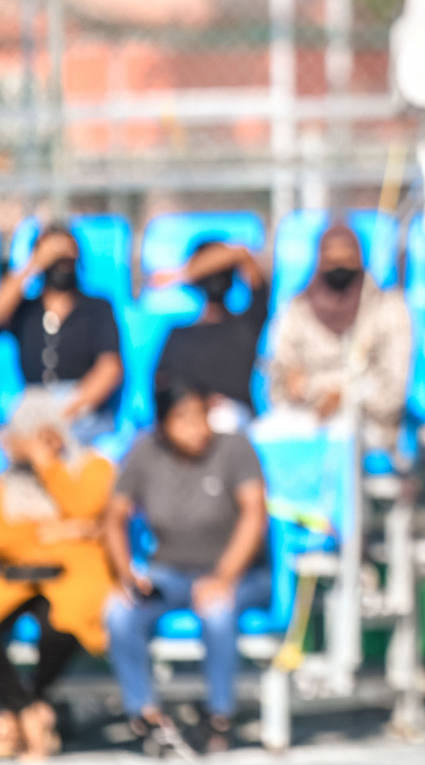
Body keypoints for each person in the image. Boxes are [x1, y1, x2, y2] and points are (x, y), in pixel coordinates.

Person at [104, 381, 270, 755]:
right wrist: (125, 573)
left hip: (240, 574)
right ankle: (146, 715)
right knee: (119, 611)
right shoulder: (144, 452)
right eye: (183, 419)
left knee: (216, 609)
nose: (196, 427)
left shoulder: (235, 447)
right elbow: (113, 517)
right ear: (162, 426)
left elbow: (254, 515)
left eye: (201, 416)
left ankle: (218, 717)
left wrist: (224, 576)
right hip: (170, 572)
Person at [0, 389, 115, 758]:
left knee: (59, 625)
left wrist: (47, 464)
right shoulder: (9, 481)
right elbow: (8, 535)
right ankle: (29, 711)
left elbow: (88, 508)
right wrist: (64, 529)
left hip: (75, 576)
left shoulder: (93, 466)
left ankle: (23, 711)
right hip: (18, 576)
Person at [267, 224, 411, 455]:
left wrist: (346, 397)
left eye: (346, 254)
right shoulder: (296, 309)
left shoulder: (387, 308)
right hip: (308, 422)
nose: (338, 262)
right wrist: (292, 383)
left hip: (370, 431)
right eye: (330, 255)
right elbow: (278, 380)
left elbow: (393, 393)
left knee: (343, 434)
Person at [0, 224, 123, 445]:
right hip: (32, 406)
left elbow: (109, 369)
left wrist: (64, 412)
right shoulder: (25, 310)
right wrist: (35, 263)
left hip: (82, 411)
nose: (61, 262)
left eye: (67, 255)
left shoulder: (97, 308)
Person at [154, 240, 270, 432]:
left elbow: (241, 254)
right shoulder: (178, 333)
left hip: (235, 422)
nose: (215, 278)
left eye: (221, 270)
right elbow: (163, 387)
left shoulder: (248, 323)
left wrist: (180, 274)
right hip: (190, 421)